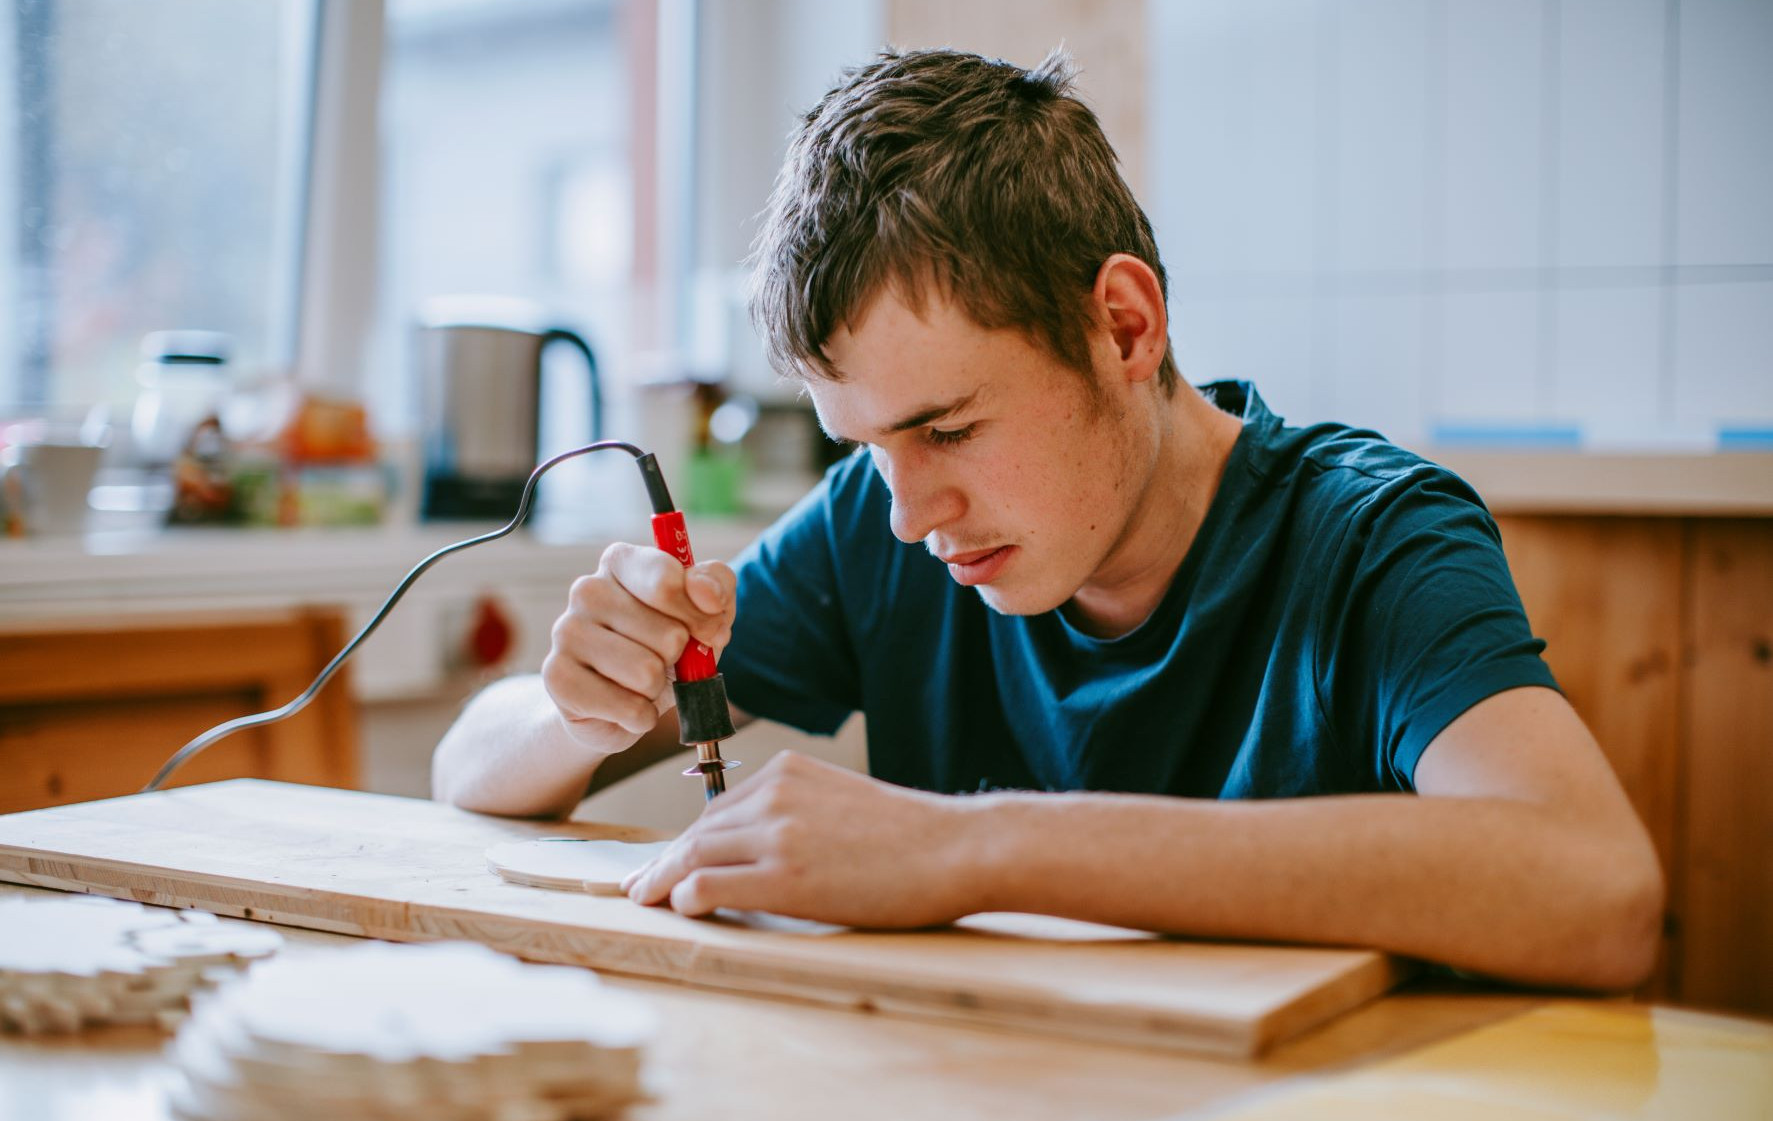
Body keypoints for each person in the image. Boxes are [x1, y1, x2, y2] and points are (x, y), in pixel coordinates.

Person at [433, 48, 1663, 990]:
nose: (912, 513)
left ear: (1124, 327)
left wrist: (976, 847)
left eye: (950, 428)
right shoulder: (884, 515)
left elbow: (1597, 888)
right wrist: (580, 700)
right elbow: (470, 770)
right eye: (866, 444)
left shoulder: (1369, 537)